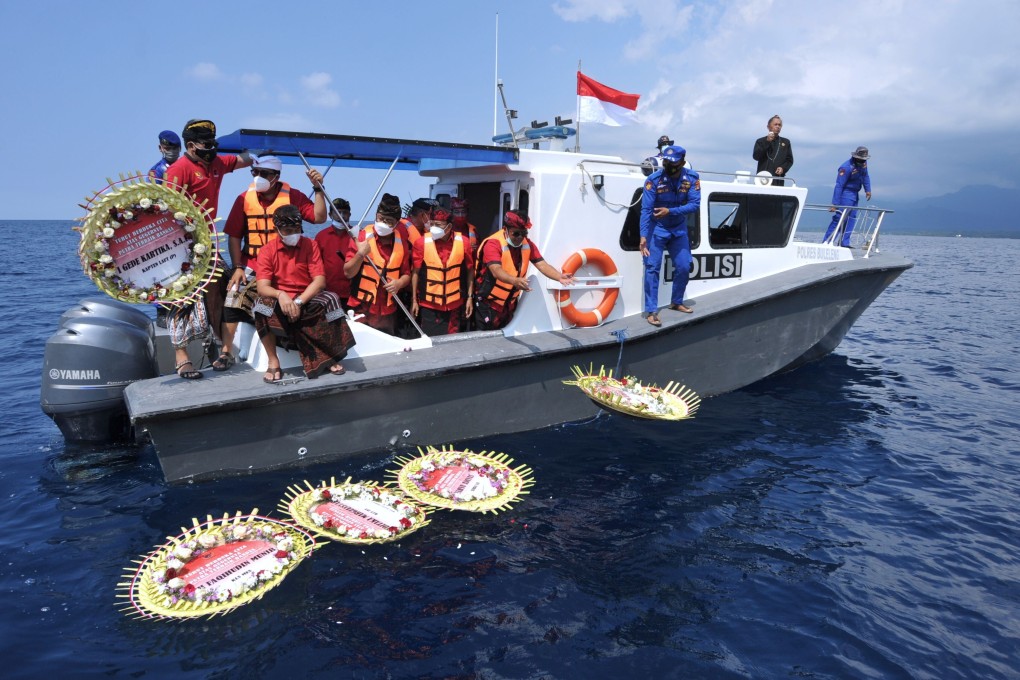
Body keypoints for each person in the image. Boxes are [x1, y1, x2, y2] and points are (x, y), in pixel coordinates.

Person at [215, 155, 327, 371]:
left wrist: (319, 188)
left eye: (264, 174)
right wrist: (237, 267)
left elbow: (319, 217)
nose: (258, 177)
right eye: (255, 173)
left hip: (286, 262)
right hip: (253, 262)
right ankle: (226, 351)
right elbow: (234, 236)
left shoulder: (293, 195)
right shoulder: (243, 199)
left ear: (276, 177)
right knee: (233, 295)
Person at [162, 119, 253, 380]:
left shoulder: (216, 164)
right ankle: (182, 359)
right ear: (191, 146)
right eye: (206, 145)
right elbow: (168, 210)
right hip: (182, 244)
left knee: (225, 287)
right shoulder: (179, 169)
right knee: (181, 298)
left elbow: (244, 160)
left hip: (210, 241)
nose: (211, 149)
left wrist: (263, 151)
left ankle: (226, 350)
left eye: (214, 144)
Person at [253, 205, 355, 382]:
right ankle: (273, 360)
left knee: (331, 298)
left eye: (296, 229)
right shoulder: (267, 250)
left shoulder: (310, 245)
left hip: (306, 296)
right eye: (287, 230)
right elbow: (263, 286)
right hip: (281, 299)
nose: (293, 233)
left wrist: (298, 302)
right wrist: (281, 295)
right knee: (261, 305)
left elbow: (319, 281)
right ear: (277, 229)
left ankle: (330, 354)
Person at [474, 210, 573, 331]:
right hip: (488, 304)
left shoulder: (528, 244)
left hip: (509, 305)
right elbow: (496, 270)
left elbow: (542, 264)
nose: (520, 237)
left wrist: (559, 276)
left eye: (523, 233)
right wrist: (514, 281)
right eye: (516, 233)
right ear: (505, 229)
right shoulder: (493, 244)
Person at [640, 144, 701, 325]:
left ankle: (676, 301)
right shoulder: (653, 180)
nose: (669, 165)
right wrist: (643, 236)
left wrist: (671, 211)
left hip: (678, 228)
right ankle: (651, 311)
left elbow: (695, 205)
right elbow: (646, 209)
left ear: (682, 162)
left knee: (684, 265)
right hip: (656, 228)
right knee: (652, 268)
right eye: (666, 161)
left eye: (673, 162)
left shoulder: (692, 178)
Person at [344, 194, 411, 335]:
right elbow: (348, 272)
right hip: (361, 306)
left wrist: (399, 283)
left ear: (397, 223)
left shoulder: (401, 242)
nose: (383, 223)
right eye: (381, 219)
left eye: (389, 221)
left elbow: (407, 274)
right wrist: (360, 254)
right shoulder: (361, 237)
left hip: (387, 310)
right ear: (376, 215)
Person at [410, 207, 474, 336]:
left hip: (455, 304)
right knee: (430, 341)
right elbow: (415, 273)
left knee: (452, 340)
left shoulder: (464, 243)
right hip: (429, 305)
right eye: (431, 224)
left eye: (438, 225)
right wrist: (414, 301)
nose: (433, 228)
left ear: (449, 227)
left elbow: (470, 271)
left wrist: (469, 298)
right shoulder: (421, 243)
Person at [824, 146, 873, 247]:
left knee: (852, 218)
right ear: (856, 157)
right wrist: (835, 203)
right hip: (846, 193)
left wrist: (867, 190)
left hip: (855, 194)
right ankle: (827, 241)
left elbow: (865, 175)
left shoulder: (863, 164)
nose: (863, 161)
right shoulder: (846, 167)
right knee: (840, 217)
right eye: (861, 159)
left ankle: (844, 242)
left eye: (864, 159)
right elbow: (839, 185)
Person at [315, 197, 357, 301]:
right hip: (328, 293)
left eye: (345, 213)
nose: (341, 216)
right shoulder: (321, 236)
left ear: (350, 215)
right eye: (338, 212)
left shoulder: (358, 235)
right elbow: (316, 265)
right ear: (330, 215)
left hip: (353, 293)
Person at [752, 115, 794, 185]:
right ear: (768, 127)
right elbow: (756, 156)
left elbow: (789, 160)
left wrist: (783, 168)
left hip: (778, 179)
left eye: (779, 125)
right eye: (775, 124)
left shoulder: (786, 142)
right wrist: (767, 142)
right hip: (762, 179)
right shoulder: (760, 141)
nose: (778, 126)